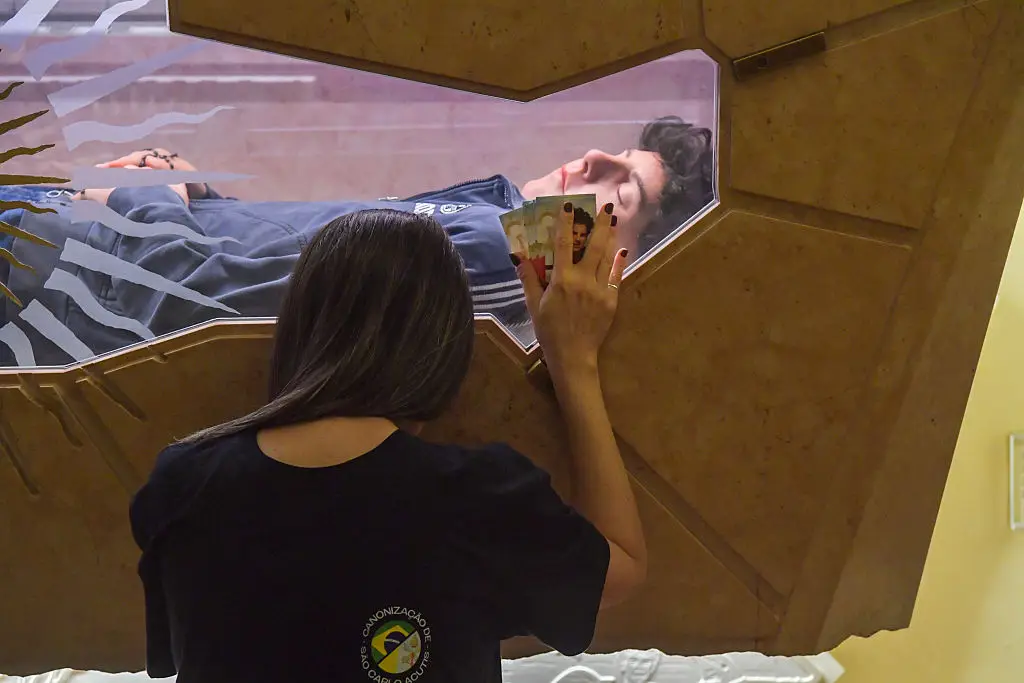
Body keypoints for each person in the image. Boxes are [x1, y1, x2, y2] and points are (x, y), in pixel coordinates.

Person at [128, 203, 647, 683]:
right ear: (446, 351)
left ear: (299, 326)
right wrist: (573, 363)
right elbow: (619, 568)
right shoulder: (479, 498)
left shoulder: (181, 483)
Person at [0, 116, 712, 367]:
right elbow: (278, 265)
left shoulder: (507, 256)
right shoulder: (497, 221)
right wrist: (195, 194)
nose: (591, 159)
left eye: (620, 192)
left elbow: (196, 310)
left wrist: (148, 199)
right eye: (615, 154)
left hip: (68, 276)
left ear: (624, 268)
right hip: (73, 255)